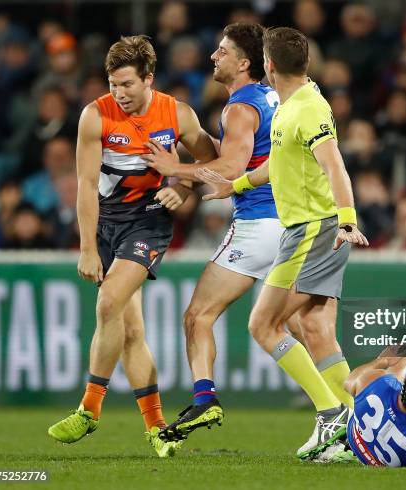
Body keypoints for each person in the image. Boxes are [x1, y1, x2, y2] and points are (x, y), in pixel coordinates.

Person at [143, 24, 356, 444]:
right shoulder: (282, 99)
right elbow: (260, 162)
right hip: (298, 221)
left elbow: (232, 163)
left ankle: (206, 397)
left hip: (266, 226)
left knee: (200, 316)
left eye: (221, 52)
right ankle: (357, 421)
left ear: (247, 63)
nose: (213, 58)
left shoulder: (240, 107)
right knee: (312, 328)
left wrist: (176, 172)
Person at [194, 27, 369, 460]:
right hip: (316, 228)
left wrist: (347, 221)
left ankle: (330, 414)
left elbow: (335, 167)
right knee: (315, 329)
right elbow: (277, 164)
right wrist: (233, 185)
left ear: (268, 65)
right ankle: (357, 427)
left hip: (313, 229)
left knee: (262, 325)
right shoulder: (297, 102)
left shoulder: (305, 109)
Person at [47, 35, 217, 457]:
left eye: (127, 84)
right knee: (130, 331)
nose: (119, 94)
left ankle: (89, 409)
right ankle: (158, 429)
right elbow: (86, 187)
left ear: (149, 79)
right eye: (112, 84)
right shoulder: (94, 116)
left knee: (108, 305)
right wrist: (87, 247)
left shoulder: (177, 114)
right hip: (104, 225)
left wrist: (184, 186)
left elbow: (214, 160)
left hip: (148, 223)